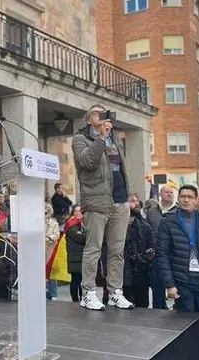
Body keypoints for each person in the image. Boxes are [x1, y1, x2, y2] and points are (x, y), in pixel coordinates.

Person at [72, 104, 132, 310]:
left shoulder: (114, 140)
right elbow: (87, 162)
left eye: (105, 113)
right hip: (97, 201)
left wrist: (127, 196)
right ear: (89, 120)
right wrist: (100, 138)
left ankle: (115, 291)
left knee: (117, 250)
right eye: (98, 114)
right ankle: (88, 293)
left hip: (120, 201)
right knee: (93, 249)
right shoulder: (80, 139)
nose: (103, 117)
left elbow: (120, 170)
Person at [155, 185, 199, 360]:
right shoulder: (168, 221)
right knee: (187, 329)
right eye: (183, 196)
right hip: (182, 282)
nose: (186, 200)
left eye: (190, 197)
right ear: (178, 199)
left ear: (196, 201)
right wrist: (169, 285)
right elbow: (162, 254)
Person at [122, 196, 154, 308]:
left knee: (142, 307)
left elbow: (151, 248)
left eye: (137, 201)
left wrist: (144, 259)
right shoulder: (115, 227)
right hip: (120, 274)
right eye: (132, 201)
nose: (136, 203)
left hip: (140, 273)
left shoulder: (145, 227)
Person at [64, 204, 85, 302]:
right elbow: (80, 238)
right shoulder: (72, 224)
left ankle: (82, 298)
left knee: (82, 280)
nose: (78, 213)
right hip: (75, 257)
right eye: (76, 211)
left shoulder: (83, 223)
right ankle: (75, 300)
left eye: (80, 211)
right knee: (76, 280)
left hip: (82, 256)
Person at [44, 203, 61, 300]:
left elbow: (56, 235)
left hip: (50, 249)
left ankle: (53, 293)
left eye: (47, 209)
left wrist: (49, 238)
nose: (46, 211)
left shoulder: (54, 223)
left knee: (51, 271)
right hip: (39, 249)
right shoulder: (37, 222)